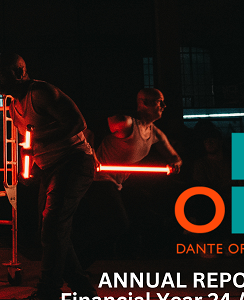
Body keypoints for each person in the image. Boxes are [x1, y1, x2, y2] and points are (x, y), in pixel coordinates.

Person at [0, 54, 96, 300]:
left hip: (74, 162)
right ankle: (86, 294)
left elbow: (76, 123)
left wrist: (36, 141)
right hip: (51, 168)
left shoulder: (41, 92)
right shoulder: (13, 104)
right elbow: (31, 142)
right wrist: (29, 170)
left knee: (52, 225)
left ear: (19, 71)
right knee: (52, 229)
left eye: (0, 74)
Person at [74, 88, 183, 267]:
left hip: (117, 183)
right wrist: (90, 157)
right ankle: (75, 261)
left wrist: (175, 165)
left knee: (126, 222)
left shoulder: (154, 133)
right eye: (159, 101)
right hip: (97, 180)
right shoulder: (125, 123)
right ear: (143, 103)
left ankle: (76, 262)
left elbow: (176, 158)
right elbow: (84, 130)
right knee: (117, 224)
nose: (164, 105)